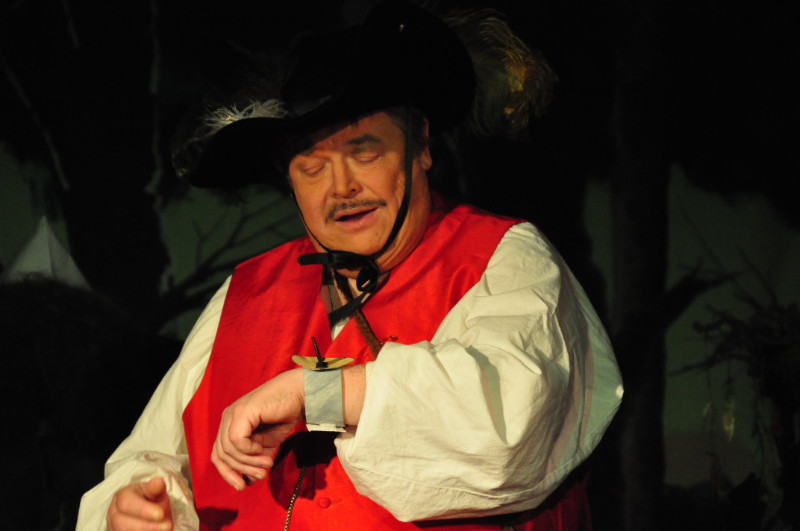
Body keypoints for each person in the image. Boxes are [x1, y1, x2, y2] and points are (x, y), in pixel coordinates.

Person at [78, 1, 623, 529]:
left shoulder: (502, 259)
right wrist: (133, 511)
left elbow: (511, 417)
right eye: (313, 167)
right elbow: (149, 460)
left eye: (364, 152)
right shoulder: (243, 295)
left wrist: (317, 393)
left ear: (420, 144)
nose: (342, 188)